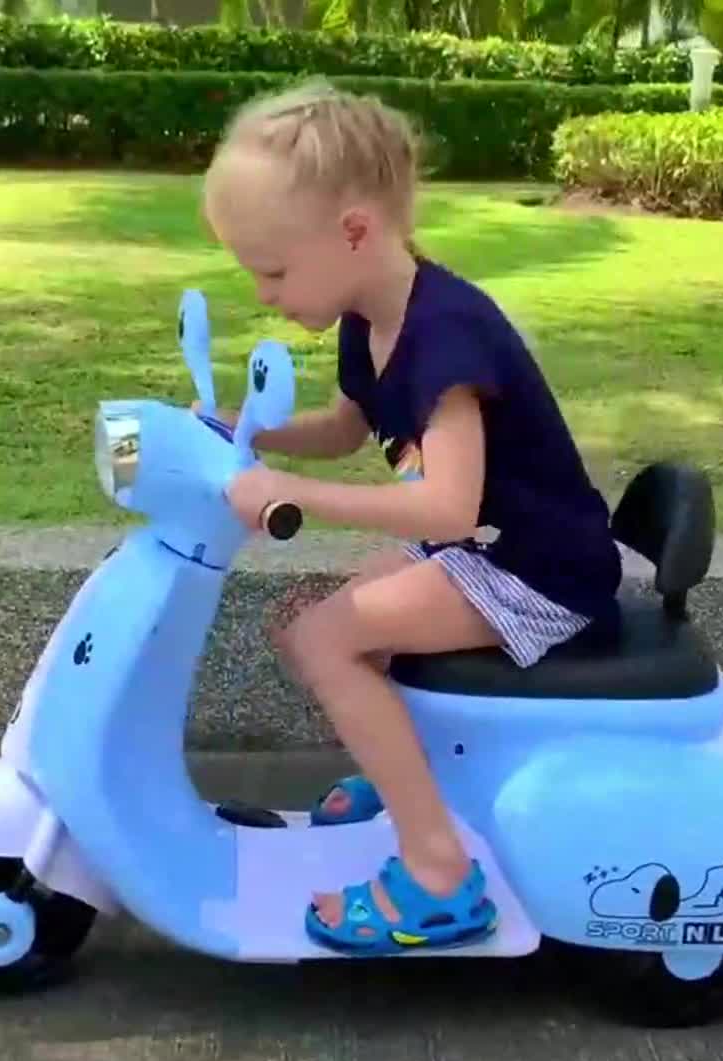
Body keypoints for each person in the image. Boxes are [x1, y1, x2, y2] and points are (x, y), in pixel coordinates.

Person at [199, 78, 622, 955]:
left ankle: (438, 874)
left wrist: (288, 496)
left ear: (353, 230)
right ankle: (409, 786)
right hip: (482, 553)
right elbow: (349, 426)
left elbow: (447, 504)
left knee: (326, 640)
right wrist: (246, 431)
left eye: (272, 270)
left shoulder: (446, 336)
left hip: (537, 571)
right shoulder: (371, 316)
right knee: (311, 624)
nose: (263, 294)